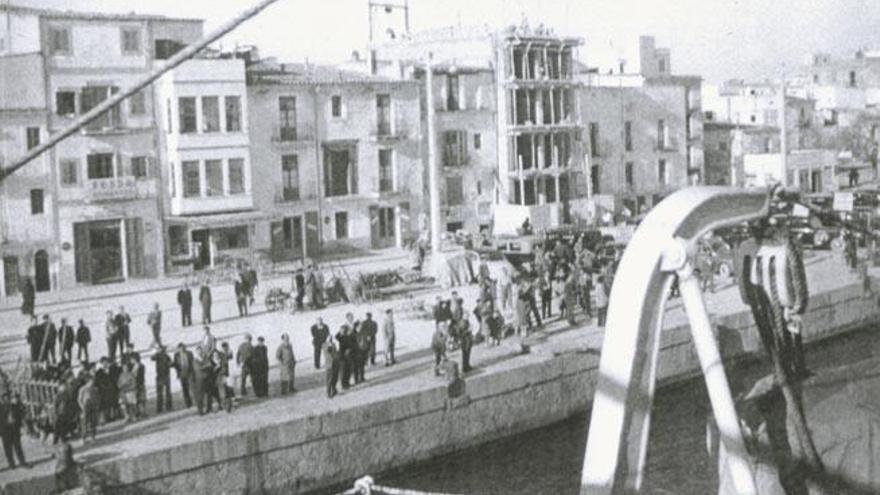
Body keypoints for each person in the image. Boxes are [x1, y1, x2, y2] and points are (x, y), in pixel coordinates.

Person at [0, 392, 27, 469]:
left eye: (8, 398)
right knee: (8, 448)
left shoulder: (14, 406)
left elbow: (19, 417)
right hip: (5, 431)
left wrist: (19, 426)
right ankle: (11, 464)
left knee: (18, 447)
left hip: (14, 429)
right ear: (2, 399)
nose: (7, 399)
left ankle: (22, 462)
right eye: (5, 398)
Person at [77, 377, 99, 444]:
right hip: (85, 407)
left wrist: (97, 405)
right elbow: (79, 399)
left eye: (93, 382)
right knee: (84, 423)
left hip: (93, 406)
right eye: (90, 382)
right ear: (87, 382)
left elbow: (97, 398)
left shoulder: (95, 389)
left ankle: (93, 438)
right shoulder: (82, 389)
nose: (92, 383)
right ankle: (83, 438)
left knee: (93, 423)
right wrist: (82, 407)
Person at [172, 343, 194, 409]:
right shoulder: (176, 355)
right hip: (182, 374)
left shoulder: (190, 353)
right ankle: (188, 404)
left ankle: (194, 401)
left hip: (189, 373)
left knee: (191, 388)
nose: (182, 349)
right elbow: (175, 364)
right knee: (185, 390)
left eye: (183, 347)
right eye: (181, 348)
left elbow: (192, 363)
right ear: (178, 349)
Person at [152, 346, 173, 414]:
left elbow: (152, 358)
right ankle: (167, 407)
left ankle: (160, 408)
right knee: (166, 392)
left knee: (161, 393)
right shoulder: (165, 356)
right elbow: (152, 358)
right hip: (163, 376)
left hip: (162, 376)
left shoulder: (163, 356)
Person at [213, 346, 233, 413]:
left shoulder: (222, 360)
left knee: (226, 391)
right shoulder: (212, 362)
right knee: (221, 393)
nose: (216, 356)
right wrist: (216, 367)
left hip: (223, 377)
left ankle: (228, 407)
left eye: (217, 354)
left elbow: (225, 368)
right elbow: (211, 371)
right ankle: (223, 406)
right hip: (216, 379)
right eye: (214, 355)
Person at [336, 325, 354, 390]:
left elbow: (351, 344)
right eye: (343, 330)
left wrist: (349, 349)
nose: (344, 331)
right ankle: (343, 384)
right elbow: (337, 344)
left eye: (345, 330)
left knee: (348, 370)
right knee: (343, 371)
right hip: (341, 356)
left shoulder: (347, 337)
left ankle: (347, 383)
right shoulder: (338, 337)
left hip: (348, 356)